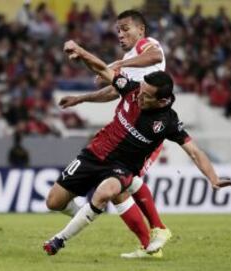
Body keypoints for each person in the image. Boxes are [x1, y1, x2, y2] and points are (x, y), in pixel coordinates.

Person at [43, 40, 231, 257]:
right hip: (95, 153)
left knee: (106, 192)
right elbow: (103, 69)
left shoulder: (168, 122)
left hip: (122, 167)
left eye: (146, 96)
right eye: (141, 91)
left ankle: (59, 239)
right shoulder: (133, 90)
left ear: (162, 101)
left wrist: (213, 178)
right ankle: (85, 215)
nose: (139, 97)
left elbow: (195, 152)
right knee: (54, 201)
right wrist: (80, 51)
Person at [58, 10, 170, 258]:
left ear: (141, 29)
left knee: (126, 179)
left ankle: (159, 230)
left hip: (148, 133)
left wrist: (121, 64)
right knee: (119, 186)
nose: (121, 33)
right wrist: (81, 99)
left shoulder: (145, 46)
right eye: (118, 29)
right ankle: (148, 246)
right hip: (129, 131)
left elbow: (155, 56)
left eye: (126, 28)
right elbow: (113, 92)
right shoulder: (130, 60)